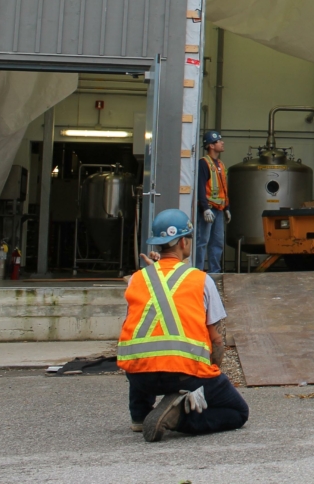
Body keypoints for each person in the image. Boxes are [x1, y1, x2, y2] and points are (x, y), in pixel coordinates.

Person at [117, 208, 249, 442]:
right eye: (189, 237)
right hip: (184, 375)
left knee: (143, 351)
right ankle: (176, 418)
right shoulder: (201, 280)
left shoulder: (137, 279)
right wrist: (211, 373)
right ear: (181, 243)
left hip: (140, 378)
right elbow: (217, 339)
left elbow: (133, 325)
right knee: (238, 412)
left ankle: (139, 416)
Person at [197, 130, 231, 273]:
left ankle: (214, 273)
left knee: (217, 243)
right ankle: (197, 271)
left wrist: (227, 208)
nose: (222, 143)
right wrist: (205, 208)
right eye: (218, 141)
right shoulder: (204, 163)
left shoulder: (220, 165)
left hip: (219, 209)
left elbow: (223, 188)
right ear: (211, 145)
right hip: (209, 210)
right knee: (202, 242)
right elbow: (200, 186)